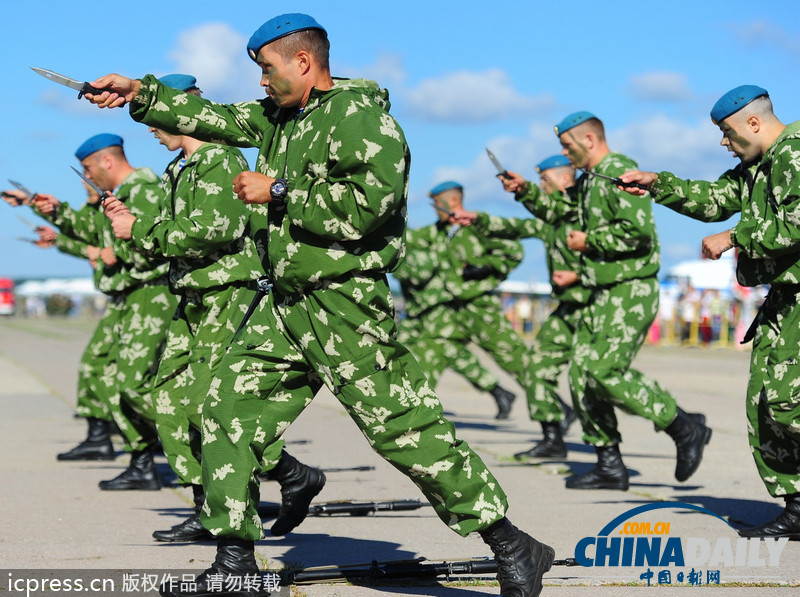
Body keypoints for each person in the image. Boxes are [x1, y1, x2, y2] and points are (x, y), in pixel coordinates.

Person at [85, 13, 554, 597]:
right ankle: (235, 560)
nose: (260, 82)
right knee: (223, 408)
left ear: (303, 62)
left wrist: (279, 191)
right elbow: (215, 118)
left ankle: (511, 543)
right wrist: (139, 91)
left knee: (403, 430)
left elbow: (370, 207)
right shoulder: (281, 119)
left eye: (266, 69)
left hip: (343, 302)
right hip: (283, 304)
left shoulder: (363, 120)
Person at [103, 73, 325, 542]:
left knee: (212, 403)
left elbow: (213, 230)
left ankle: (246, 495)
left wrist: (140, 232)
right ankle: (241, 489)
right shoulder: (177, 171)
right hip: (192, 296)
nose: (151, 127)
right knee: (168, 398)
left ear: (182, 110)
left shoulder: (220, 159)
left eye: (160, 118)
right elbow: (169, 235)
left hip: (230, 293)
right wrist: (131, 224)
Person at [619, 85, 800, 538]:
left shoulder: (794, 151)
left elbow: (796, 222)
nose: (724, 142)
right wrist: (658, 183)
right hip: (784, 299)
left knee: (789, 405)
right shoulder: (756, 167)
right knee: (769, 407)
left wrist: (735, 238)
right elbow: (716, 199)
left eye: (727, 132)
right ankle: (798, 506)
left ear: (753, 123)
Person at [549, 111, 712, 490]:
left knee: (605, 371)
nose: (563, 152)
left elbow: (637, 233)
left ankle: (683, 427)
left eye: (566, 144)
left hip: (630, 288)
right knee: (582, 375)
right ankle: (609, 463)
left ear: (589, 140)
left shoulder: (618, 170)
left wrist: (589, 242)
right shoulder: (590, 180)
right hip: (602, 288)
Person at [33, 133, 177, 490]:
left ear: (106, 162)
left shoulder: (143, 190)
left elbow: (156, 245)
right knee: (117, 382)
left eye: (87, 168)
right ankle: (142, 460)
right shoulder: (118, 196)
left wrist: (114, 254)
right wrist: (59, 213)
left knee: (133, 383)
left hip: (151, 294)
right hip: (130, 295)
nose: (87, 176)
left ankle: (209, 444)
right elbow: (97, 235)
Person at [455, 154, 583, 459]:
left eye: (544, 179)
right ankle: (553, 438)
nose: (541, 185)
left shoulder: (584, 209)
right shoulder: (553, 217)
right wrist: (479, 219)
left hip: (596, 305)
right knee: (537, 366)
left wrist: (579, 274)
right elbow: (519, 226)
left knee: (602, 380)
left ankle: (680, 423)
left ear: (566, 179)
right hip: (568, 307)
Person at [1, 181, 119, 460]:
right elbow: (90, 244)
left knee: (121, 373)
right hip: (123, 295)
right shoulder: (93, 209)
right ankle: (103, 436)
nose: (84, 182)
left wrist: (33, 203)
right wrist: (57, 238)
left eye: (88, 172)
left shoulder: (128, 197)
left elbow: (105, 248)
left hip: (144, 293)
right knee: (97, 365)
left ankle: (137, 444)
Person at [393, 180, 525, 420]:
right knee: (437, 353)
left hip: (470, 308)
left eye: (437, 204)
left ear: (452, 202)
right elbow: (408, 240)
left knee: (512, 359)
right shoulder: (435, 232)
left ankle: (552, 411)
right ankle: (416, 412)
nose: (435, 209)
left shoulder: (476, 228)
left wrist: (485, 269)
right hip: (434, 309)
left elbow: (513, 252)